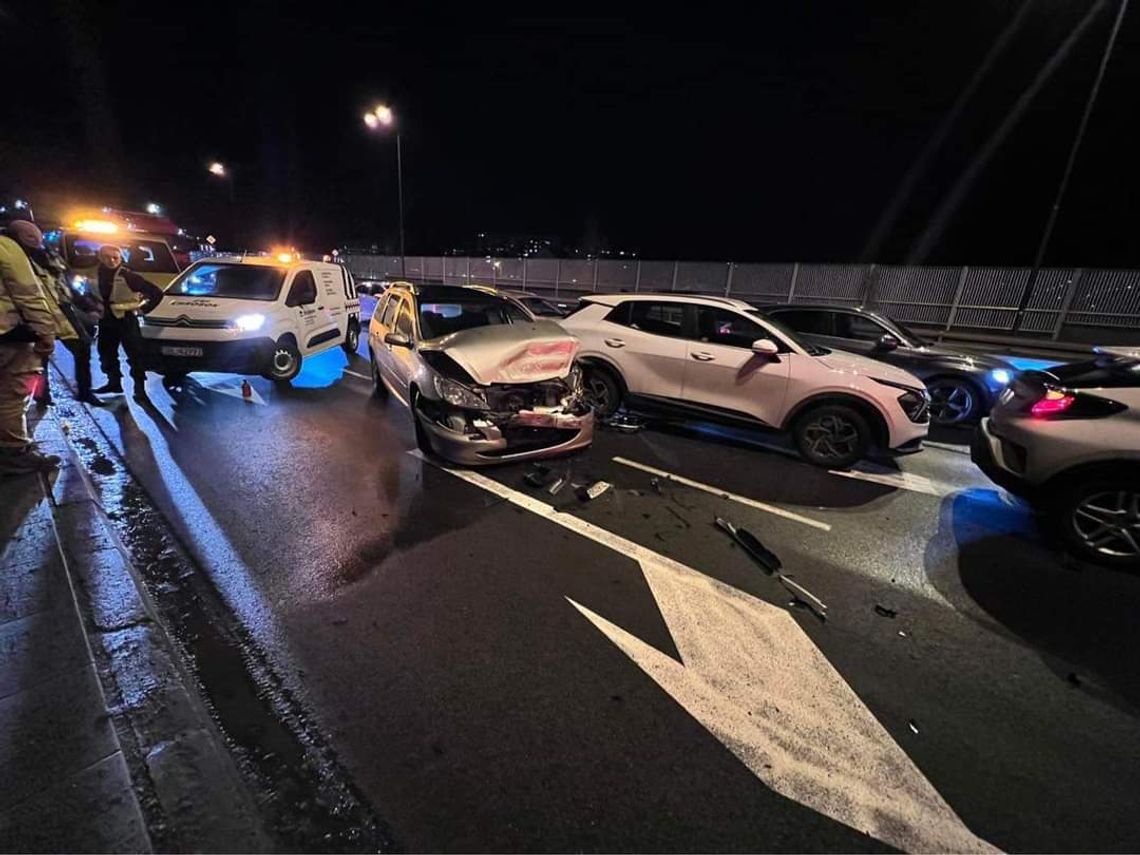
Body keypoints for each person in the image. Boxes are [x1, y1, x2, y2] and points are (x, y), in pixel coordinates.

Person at [4, 222, 104, 407]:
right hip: (31, 315)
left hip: (62, 312)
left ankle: (84, 392)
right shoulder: (13, 257)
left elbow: (66, 285)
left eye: (37, 236)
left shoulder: (49, 256)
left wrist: (88, 305)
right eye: (29, 237)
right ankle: (40, 394)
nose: (35, 240)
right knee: (38, 359)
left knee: (82, 347)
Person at [0, 220, 59, 475]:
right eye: (36, 240)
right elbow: (29, 295)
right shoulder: (9, 249)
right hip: (10, 334)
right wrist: (46, 335)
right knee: (14, 394)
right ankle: (14, 452)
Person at [91, 244, 163, 406]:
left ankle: (139, 389)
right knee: (106, 352)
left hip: (126, 320)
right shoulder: (96, 274)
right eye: (107, 257)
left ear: (121, 258)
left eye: (115, 258)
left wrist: (144, 309)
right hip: (106, 320)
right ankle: (113, 382)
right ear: (100, 258)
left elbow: (156, 293)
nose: (111, 261)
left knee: (135, 355)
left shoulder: (129, 276)